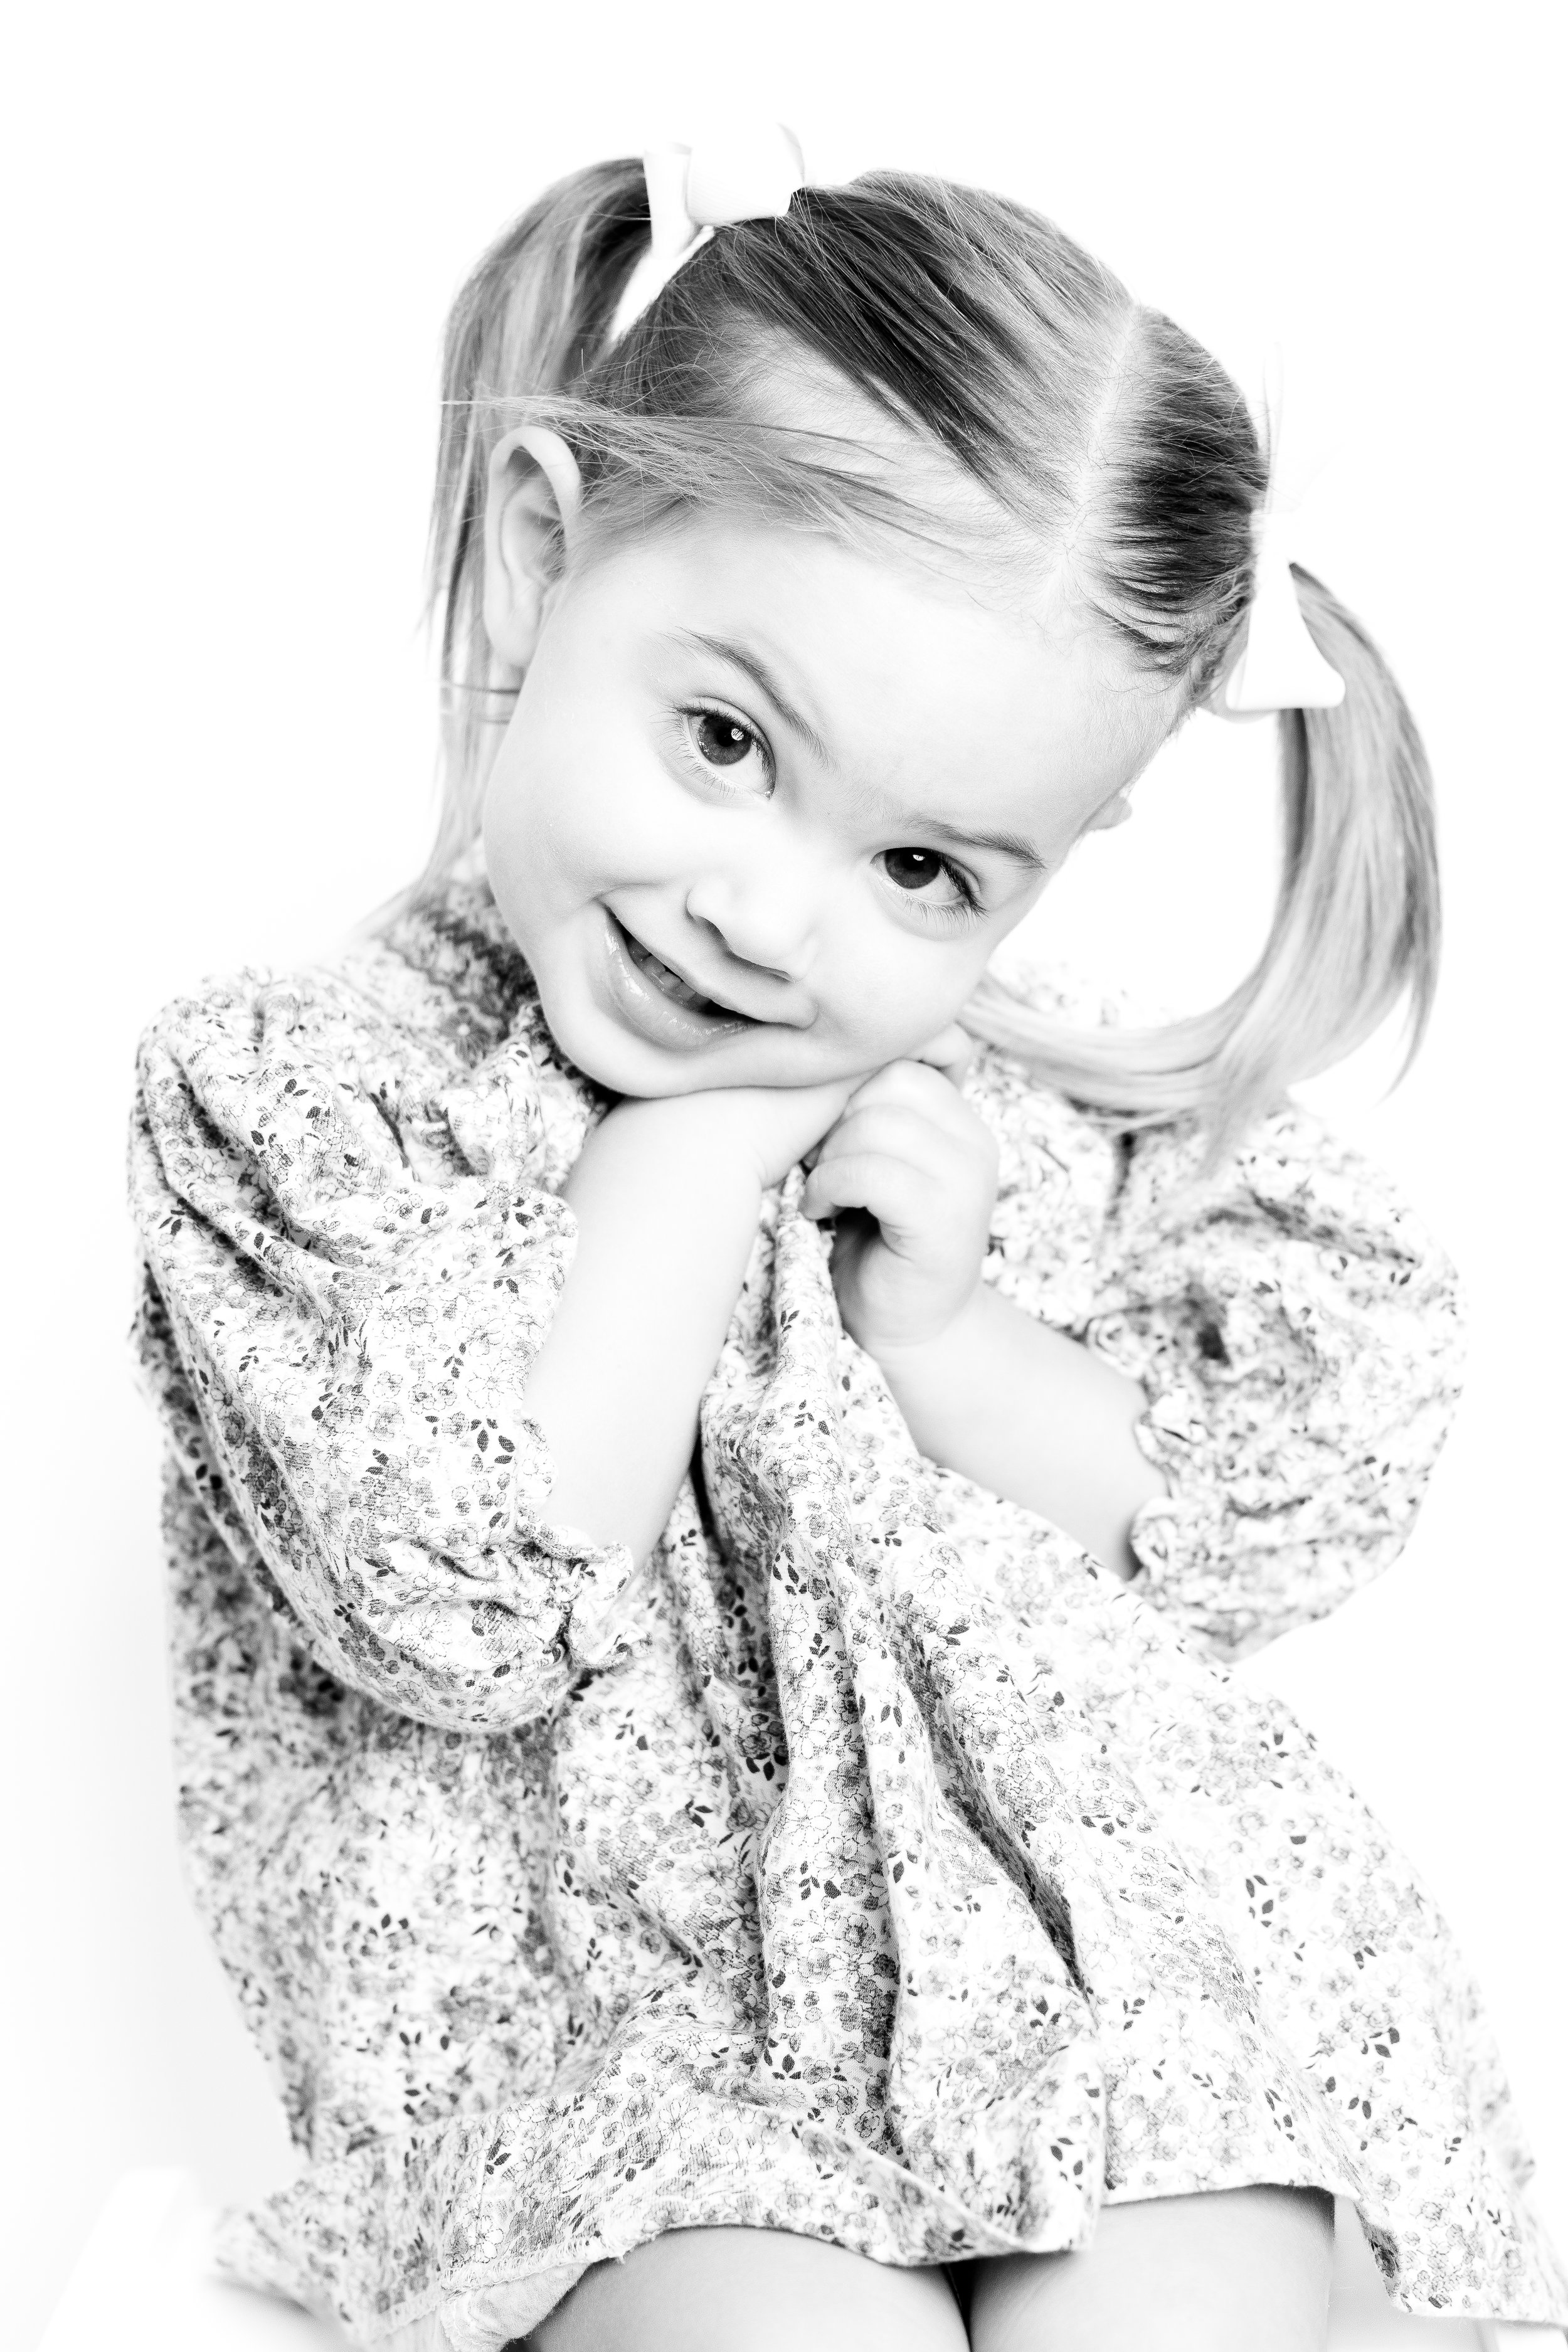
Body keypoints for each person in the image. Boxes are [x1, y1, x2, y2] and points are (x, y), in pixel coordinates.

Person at [129, 132, 1568, 2352]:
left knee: (1185, 2304)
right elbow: (473, 1591)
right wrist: (704, 1144)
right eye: (725, 741)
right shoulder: (325, 1113)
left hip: (1077, 1989)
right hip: (608, 2066)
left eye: (923, 873)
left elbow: (1228, 1513)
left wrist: (952, 1337)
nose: (770, 920)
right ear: (540, 556)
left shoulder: (990, 1106)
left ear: (1053, 856)